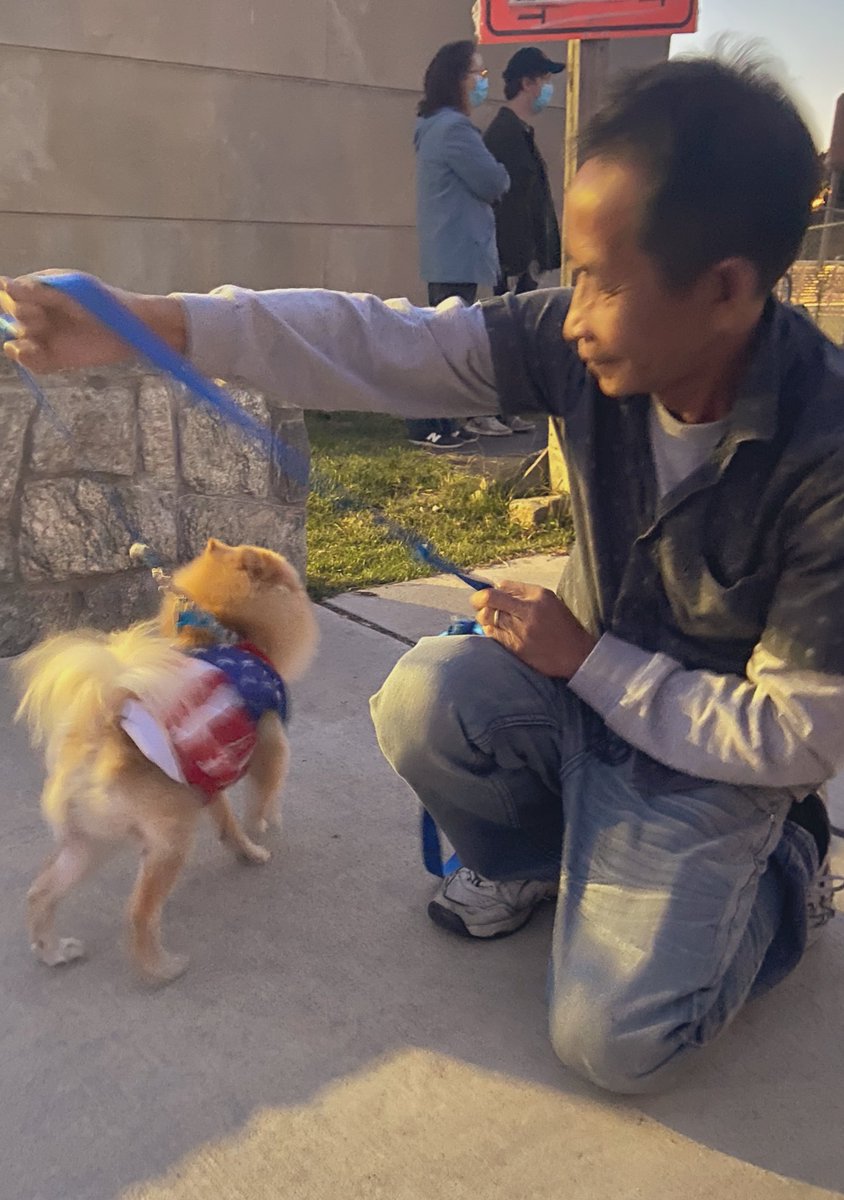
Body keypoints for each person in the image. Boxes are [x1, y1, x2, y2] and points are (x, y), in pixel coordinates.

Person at [5, 54, 844, 1095]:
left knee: (617, 1044)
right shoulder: (575, 343)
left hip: (710, 765)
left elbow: (797, 732)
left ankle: (787, 873)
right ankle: (550, 867)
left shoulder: (825, 451)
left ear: (725, 288)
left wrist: (586, 662)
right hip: (573, 699)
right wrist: (153, 322)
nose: (570, 311)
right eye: (569, 272)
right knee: (426, 695)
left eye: (606, 280)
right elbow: (382, 339)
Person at [408, 39, 509, 449]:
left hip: (447, 250)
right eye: (478, 75)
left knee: (445, 340)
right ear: (457, 80)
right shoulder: (455, 128)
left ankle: (444, 422)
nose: (484, 82)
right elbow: (493, 181)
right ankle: (426, 425)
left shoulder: (434, 126)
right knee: (445, 344)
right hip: (458, 251)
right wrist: (501, 170)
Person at [467, 45, 566, 439]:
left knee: (517, 340)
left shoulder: (521, 132)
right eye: (544, 81)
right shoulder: (505, 134)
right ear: (526, 83)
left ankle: (506, 409)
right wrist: (519, 260)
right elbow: (504, 205)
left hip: (524, 258)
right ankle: (487, 408)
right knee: (501, 337)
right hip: (510, 261)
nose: (547, 89)